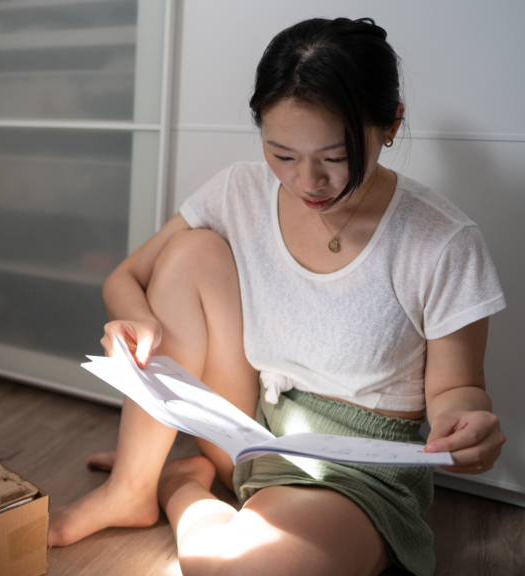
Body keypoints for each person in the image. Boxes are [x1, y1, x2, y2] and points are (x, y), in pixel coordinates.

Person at [47, 17, 506, 576]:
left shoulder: (442, 241)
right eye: (281, 154)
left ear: (390, 126)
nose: (306, 182)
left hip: (357, 467)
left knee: (233, 568)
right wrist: (137, 323)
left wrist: (467, 423)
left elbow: (458, 389)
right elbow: (124, 277)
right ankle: (131, 488)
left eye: (334, 157)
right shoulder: (240, 190)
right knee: (189, 253)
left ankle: (178, 484)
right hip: (250, 424)